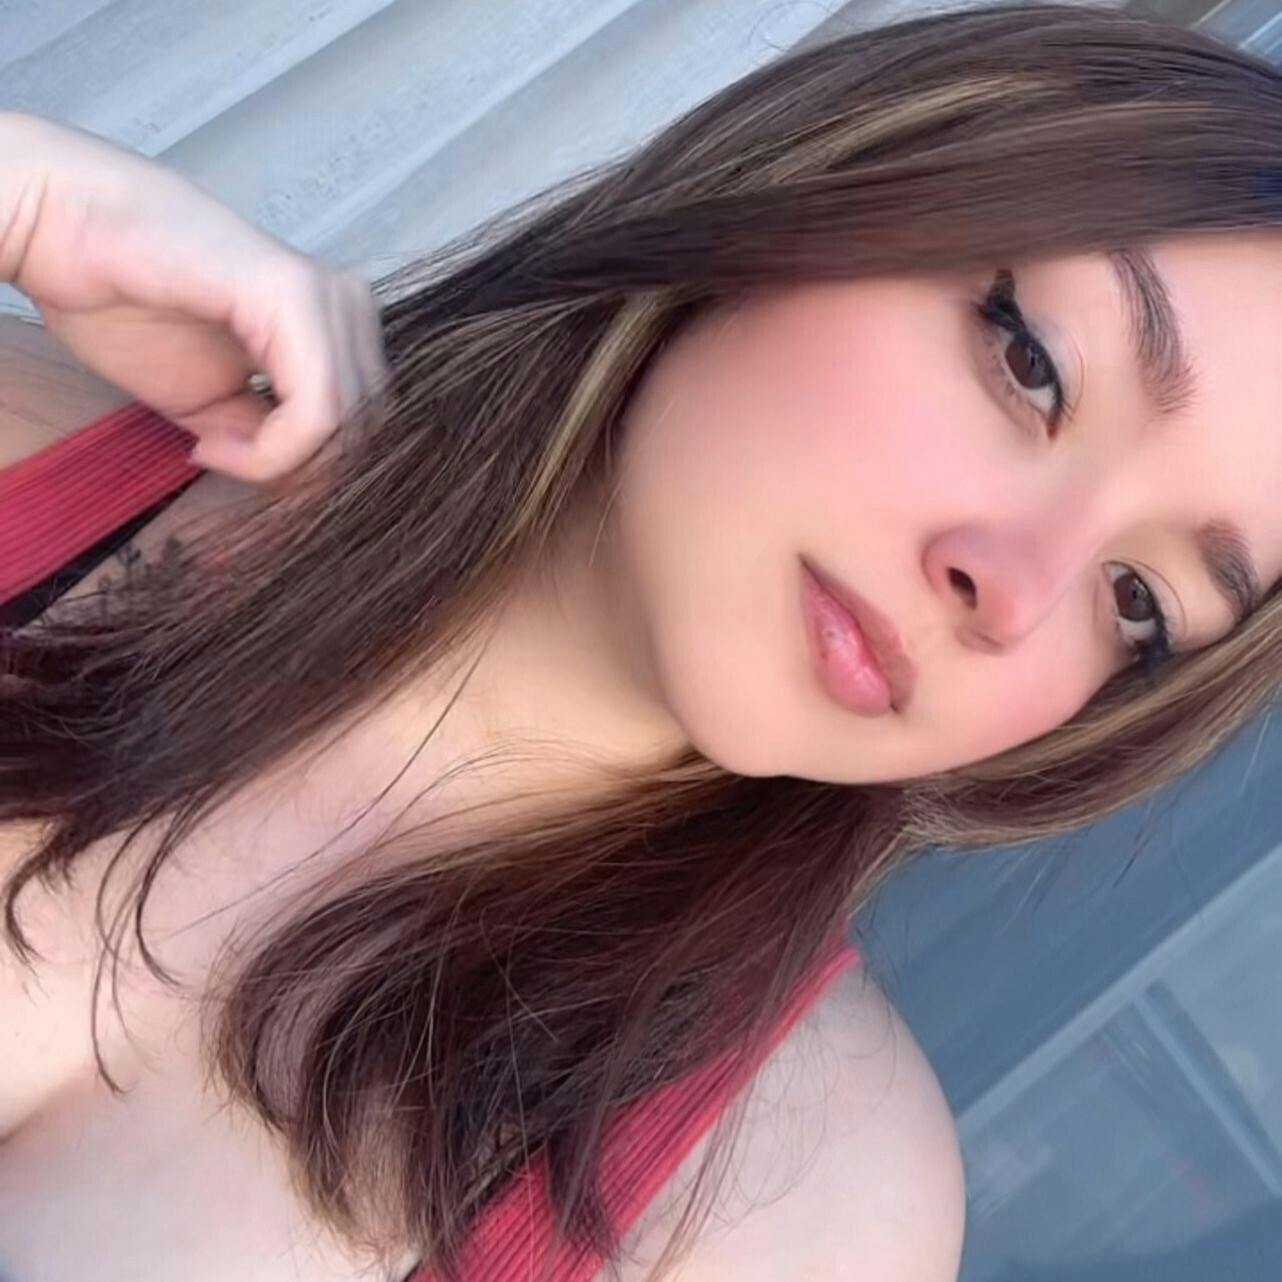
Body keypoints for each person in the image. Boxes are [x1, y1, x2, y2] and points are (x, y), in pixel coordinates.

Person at [3, 0, 1282, 1278]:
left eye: (1138, 600)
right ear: (833, 184)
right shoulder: (39, 441)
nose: (1012, 590)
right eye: (1033, 363)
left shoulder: (805, 1208)